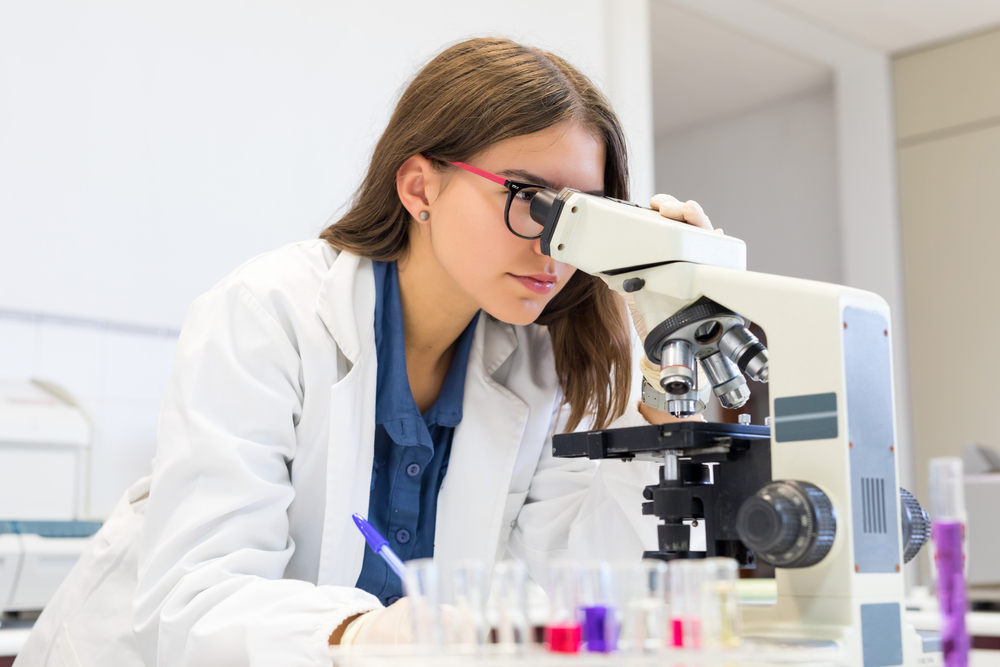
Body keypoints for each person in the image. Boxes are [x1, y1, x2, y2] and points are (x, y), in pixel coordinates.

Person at [15, 37, 713, 667]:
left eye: (580, 215)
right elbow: (200, 604)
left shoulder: (538, 365)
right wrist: (368, 635)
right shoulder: (269, 313)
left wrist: (665, 366)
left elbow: (563, 585)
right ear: (419, 187)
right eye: (531, 198)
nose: (552, 246)